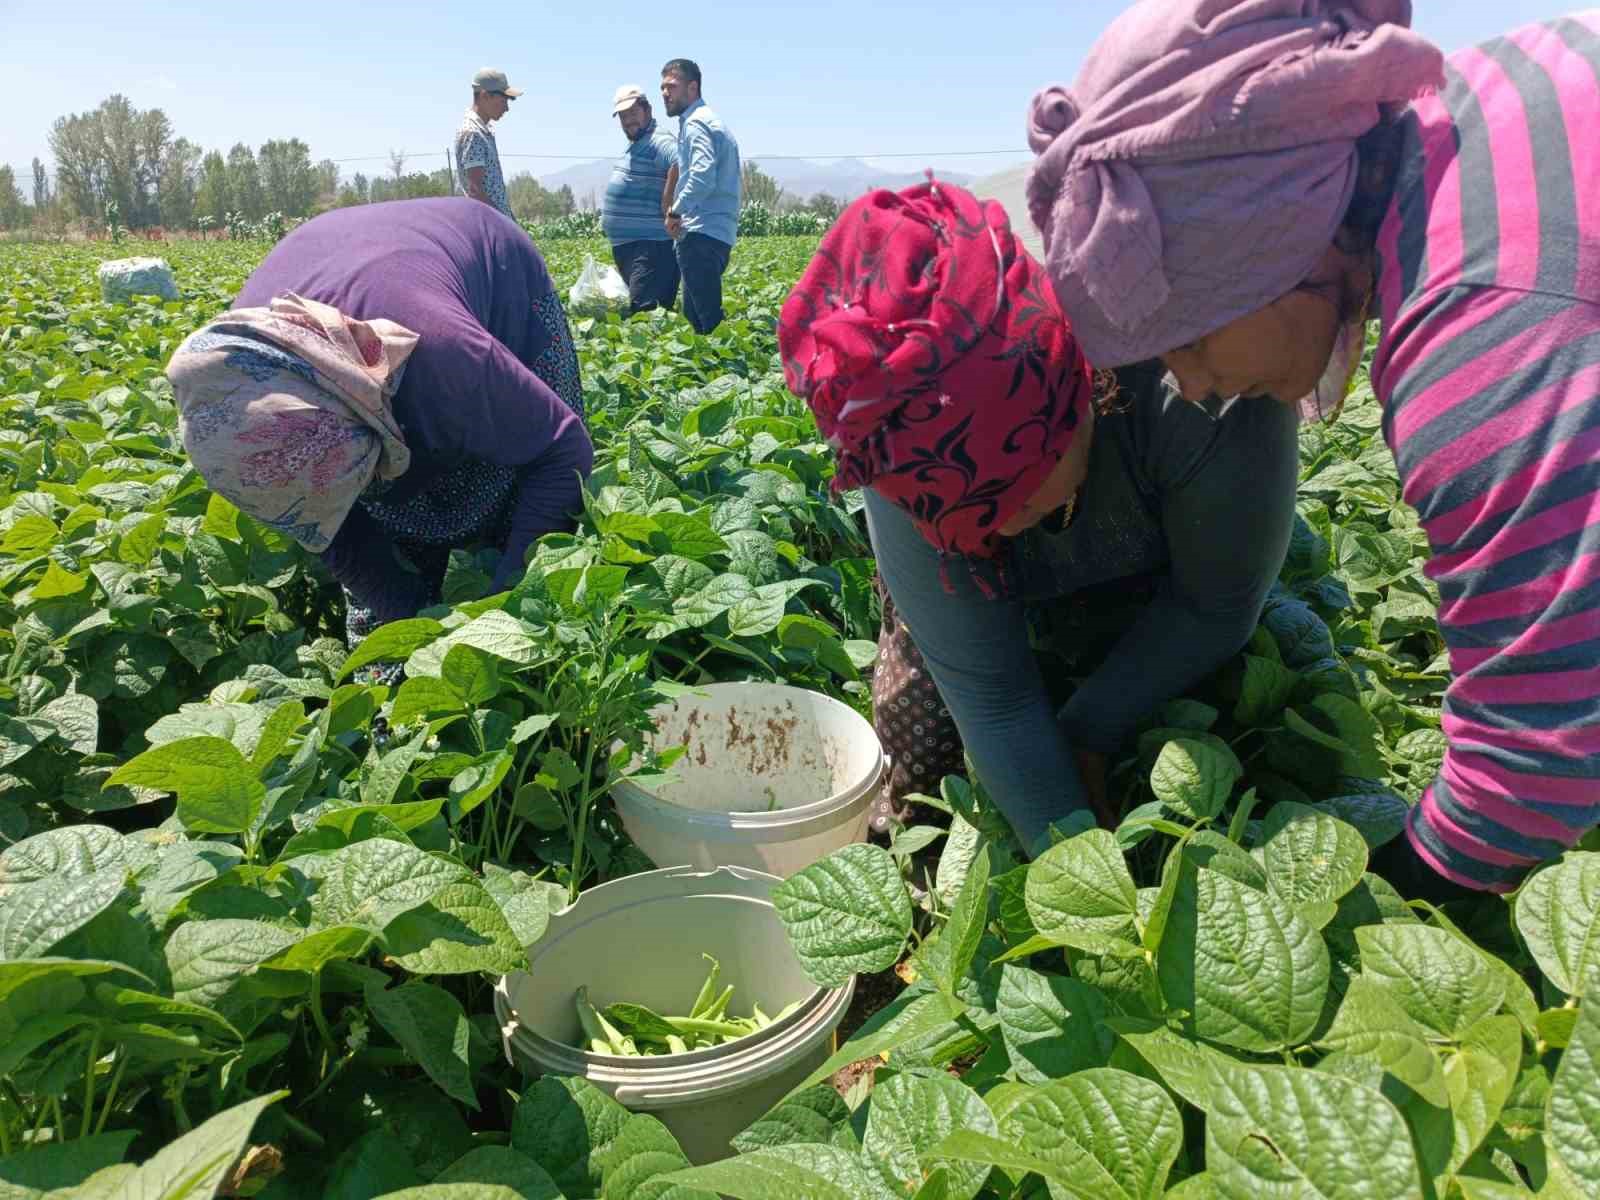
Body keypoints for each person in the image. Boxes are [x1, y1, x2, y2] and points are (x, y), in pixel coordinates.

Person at [1027, 0, 1600, 898]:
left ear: (1262, 257)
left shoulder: (1479, 331)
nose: (1198, 388)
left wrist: (1376, 913)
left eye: (1185, 343)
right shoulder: (1486, 106)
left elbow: (1535, 759)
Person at [778, 180, 1300, 855]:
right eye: (957, 526)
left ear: (1072, 395)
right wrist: (1082, 878)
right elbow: (994, 700)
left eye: (1008, 501)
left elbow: (1218, 604)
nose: (991, 534)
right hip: (991, 591)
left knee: (1219, 739)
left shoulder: (1202, 378)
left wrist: (1088, 728)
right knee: (925, 752)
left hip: (1171, 561)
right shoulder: (897, 427)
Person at [166, 198, 591, 671]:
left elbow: (562, 450)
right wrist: (400, 613)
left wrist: (508, 606)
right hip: (348, 255)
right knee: (375, 525)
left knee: (514, 465)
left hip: (491, 264)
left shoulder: (445, 354)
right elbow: (318, 515)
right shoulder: (234, 383)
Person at [660, 58, 741, 334]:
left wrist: (675, 210)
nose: (664, 93)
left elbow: (702, 176)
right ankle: (715, 375)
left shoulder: (696, 124)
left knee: (709, 326)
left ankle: (728, 374)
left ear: (692, 88)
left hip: (700, 235)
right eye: (662, 87)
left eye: (671, 86)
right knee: (699, 322)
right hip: (716, 235)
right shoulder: (709, 122)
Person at [602, 85, 681, 313]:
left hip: (652, 247)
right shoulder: (638, 143)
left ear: (648, 111)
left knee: (643, 317)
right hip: (633, 248)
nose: (628, 121)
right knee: (644, 315)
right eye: (623, 116)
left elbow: (680, 161)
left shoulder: (658, 139)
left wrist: (668, 202)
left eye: (633, 113)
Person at [456, 67, 520, 221]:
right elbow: (475, 192)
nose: (506, 108)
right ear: (485, 95)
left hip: (495, 222)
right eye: (503, 100)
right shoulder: (473, 133)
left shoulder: (484, 131)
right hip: (489, 225)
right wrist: (504, 224)